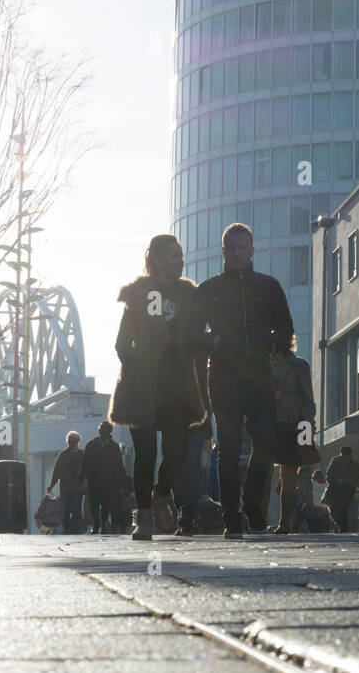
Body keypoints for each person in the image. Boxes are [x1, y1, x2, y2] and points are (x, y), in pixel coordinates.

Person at [189, 222, 293, 540]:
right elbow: (191, 336)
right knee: (229, 448)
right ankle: (232, 516)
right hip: (223, 378)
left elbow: (286, 329)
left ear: (252, 251)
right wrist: (215, 341)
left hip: (261, 377)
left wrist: (270, 343)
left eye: (241, 247)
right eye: (230, 248)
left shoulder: (269, 287)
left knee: (266, 443)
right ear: (223, 251)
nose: (235, 253)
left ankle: (251, 501)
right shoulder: (209, 290)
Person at [111, 234, 209, 540]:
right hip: (144, 385)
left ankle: (160, 494)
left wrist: (213, 342)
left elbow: (195, 336)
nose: (180, 261)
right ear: (155, 259)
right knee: (145, 453)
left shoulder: (188, 296)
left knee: (177, 451)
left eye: (180, 256)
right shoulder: (141, 295)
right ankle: (144, 519)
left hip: (178, 385)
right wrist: (138, 366)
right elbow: (122, 342)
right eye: (173, 256)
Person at [270, 334, 319, 533]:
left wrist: (308, 429)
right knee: (281, 476)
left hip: (292, 424)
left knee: (289, 475)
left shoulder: (299, 366)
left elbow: (308, 401)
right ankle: (280, 521)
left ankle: (284, 522)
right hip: (269, 425)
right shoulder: (262, 365)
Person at [80, 421, 128, 534]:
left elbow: (119, 465)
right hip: (94, 480)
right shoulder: (91, 444)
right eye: (100, 429)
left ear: (109, 432)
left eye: (104, 429)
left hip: (109, 482)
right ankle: (96, 523)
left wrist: (123, 482)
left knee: (106, 504)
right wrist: (81, 477)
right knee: (94, 504)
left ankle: (103, 524)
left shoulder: (114, 447)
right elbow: (85, 462)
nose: (101, 431)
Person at [47, 431, 86, 534]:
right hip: (65, 488)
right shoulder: (63, 454)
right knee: (65, 510)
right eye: (70, 441)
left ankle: (73, 530)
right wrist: (51, 485)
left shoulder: (82, 454)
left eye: (73, 441)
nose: (71, 443)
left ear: (77, 442)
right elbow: (57, 471)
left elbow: (87, 471)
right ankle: (66, 529)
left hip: (78, 488)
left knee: (76, 510)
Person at [324, 446, 359, 532]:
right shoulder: (355, 464)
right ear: (350, 453)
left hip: (337, 487)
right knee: (345, 507)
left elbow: (329, 473)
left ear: (341, 452)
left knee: (335, 507)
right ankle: (343, 526)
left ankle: (341, 525)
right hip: (350, 489)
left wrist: (332, 483)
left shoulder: (336, 459)